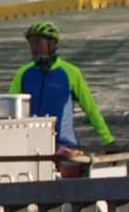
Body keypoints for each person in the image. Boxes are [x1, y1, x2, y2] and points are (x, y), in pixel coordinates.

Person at [15, 22, 114, 156]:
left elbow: (91, 110)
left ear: (52, 44)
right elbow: (11, 109)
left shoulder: (71, 72)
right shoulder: (24, 73)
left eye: (38, 42)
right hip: (32, 146)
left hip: (65, 147)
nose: (34, 47)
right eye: (31, 43)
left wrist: (108, 140)